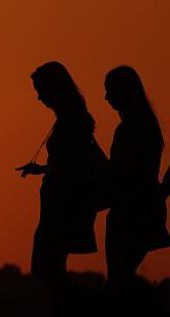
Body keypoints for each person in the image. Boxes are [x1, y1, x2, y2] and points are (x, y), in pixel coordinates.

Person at [16, 61, 98, 293]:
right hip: (56, 207)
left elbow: (71, 166)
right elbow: (65, 164)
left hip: (62, 209)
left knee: (46, 269)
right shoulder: (71, 120)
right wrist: (42, 169)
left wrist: (48, 170)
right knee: (49, 269)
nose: (39, 97)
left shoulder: (73, 122)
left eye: (41, 90)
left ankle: (73, 315)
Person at [103, 66, 170, 289]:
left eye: (110, 91)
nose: (106, 97)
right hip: (142, 210)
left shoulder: (130, 129)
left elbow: (122, 174)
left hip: (130, 213)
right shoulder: (146, 125)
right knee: (122, 279)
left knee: (119, 281)